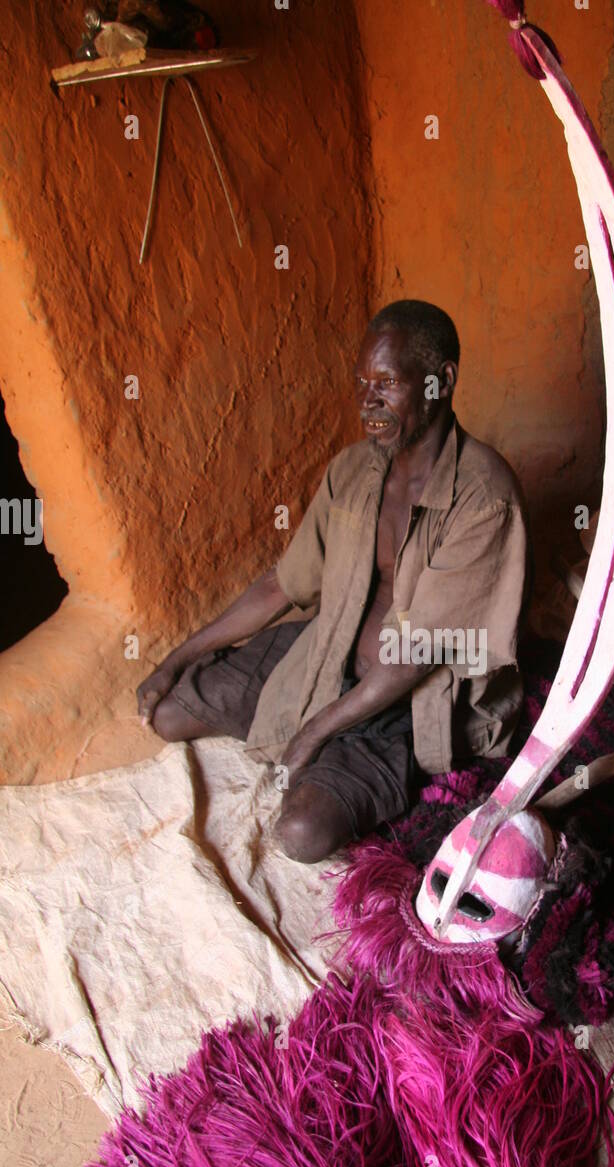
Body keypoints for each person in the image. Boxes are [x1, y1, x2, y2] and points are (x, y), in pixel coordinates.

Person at [137, 300, 531, 862]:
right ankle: (288, 719)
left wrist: (311, 734)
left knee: (300, 833)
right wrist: (176, 657)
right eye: (361, 382)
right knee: (169, 713)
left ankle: (330, 751)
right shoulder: (352, 470)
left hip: (401, 702)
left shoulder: (483, 497)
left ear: (441, 382)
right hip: (326, 653)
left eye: (387, 383)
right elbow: (281, 585)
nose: (367, 401)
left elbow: (416, 657)